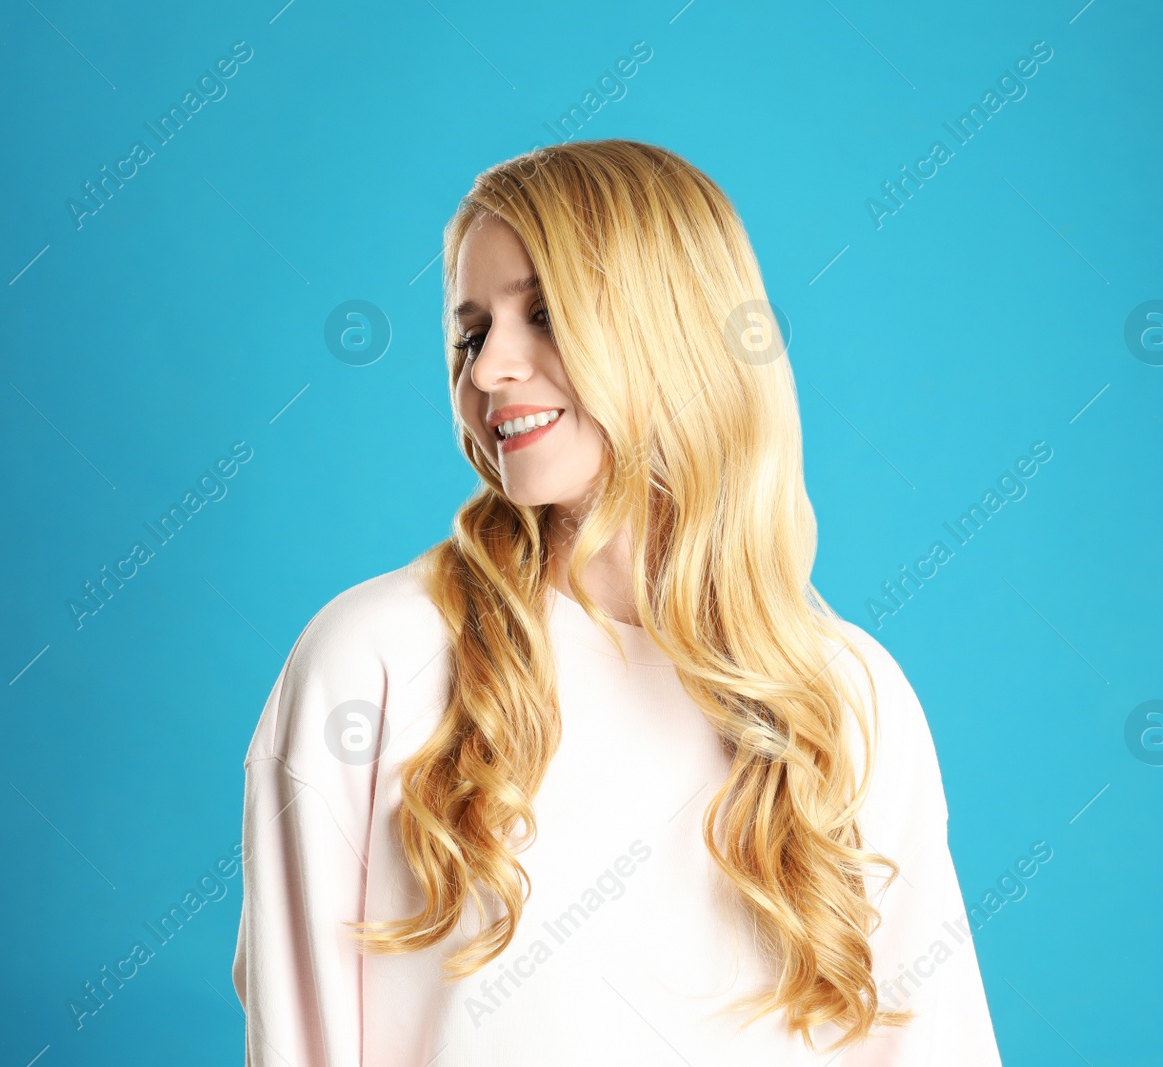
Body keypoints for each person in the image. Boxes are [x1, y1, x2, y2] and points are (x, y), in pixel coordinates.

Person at [232, 139, 1003, 1065]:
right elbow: (302, 1033)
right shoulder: (375, 659)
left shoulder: (846, 695)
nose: (486, 372)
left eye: (546, 314)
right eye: (471, 331)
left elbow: (930, 1040)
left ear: (673, 328)